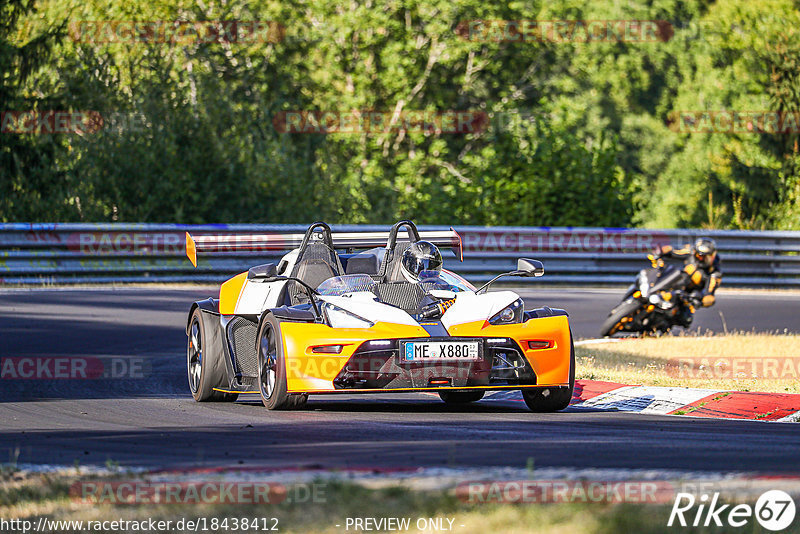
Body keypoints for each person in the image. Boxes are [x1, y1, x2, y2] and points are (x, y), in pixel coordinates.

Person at [649, 237, 722, 326]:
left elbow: (710, 296)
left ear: (712, 256)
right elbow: (673, 250)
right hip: (675, 282)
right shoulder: (691, 252)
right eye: (699, 255)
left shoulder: (714, 273)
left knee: (685, 319)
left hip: (688, 295)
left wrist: (701, 301)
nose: (701, 258)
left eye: (705, 256)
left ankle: (659, 325)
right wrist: (660, 252)